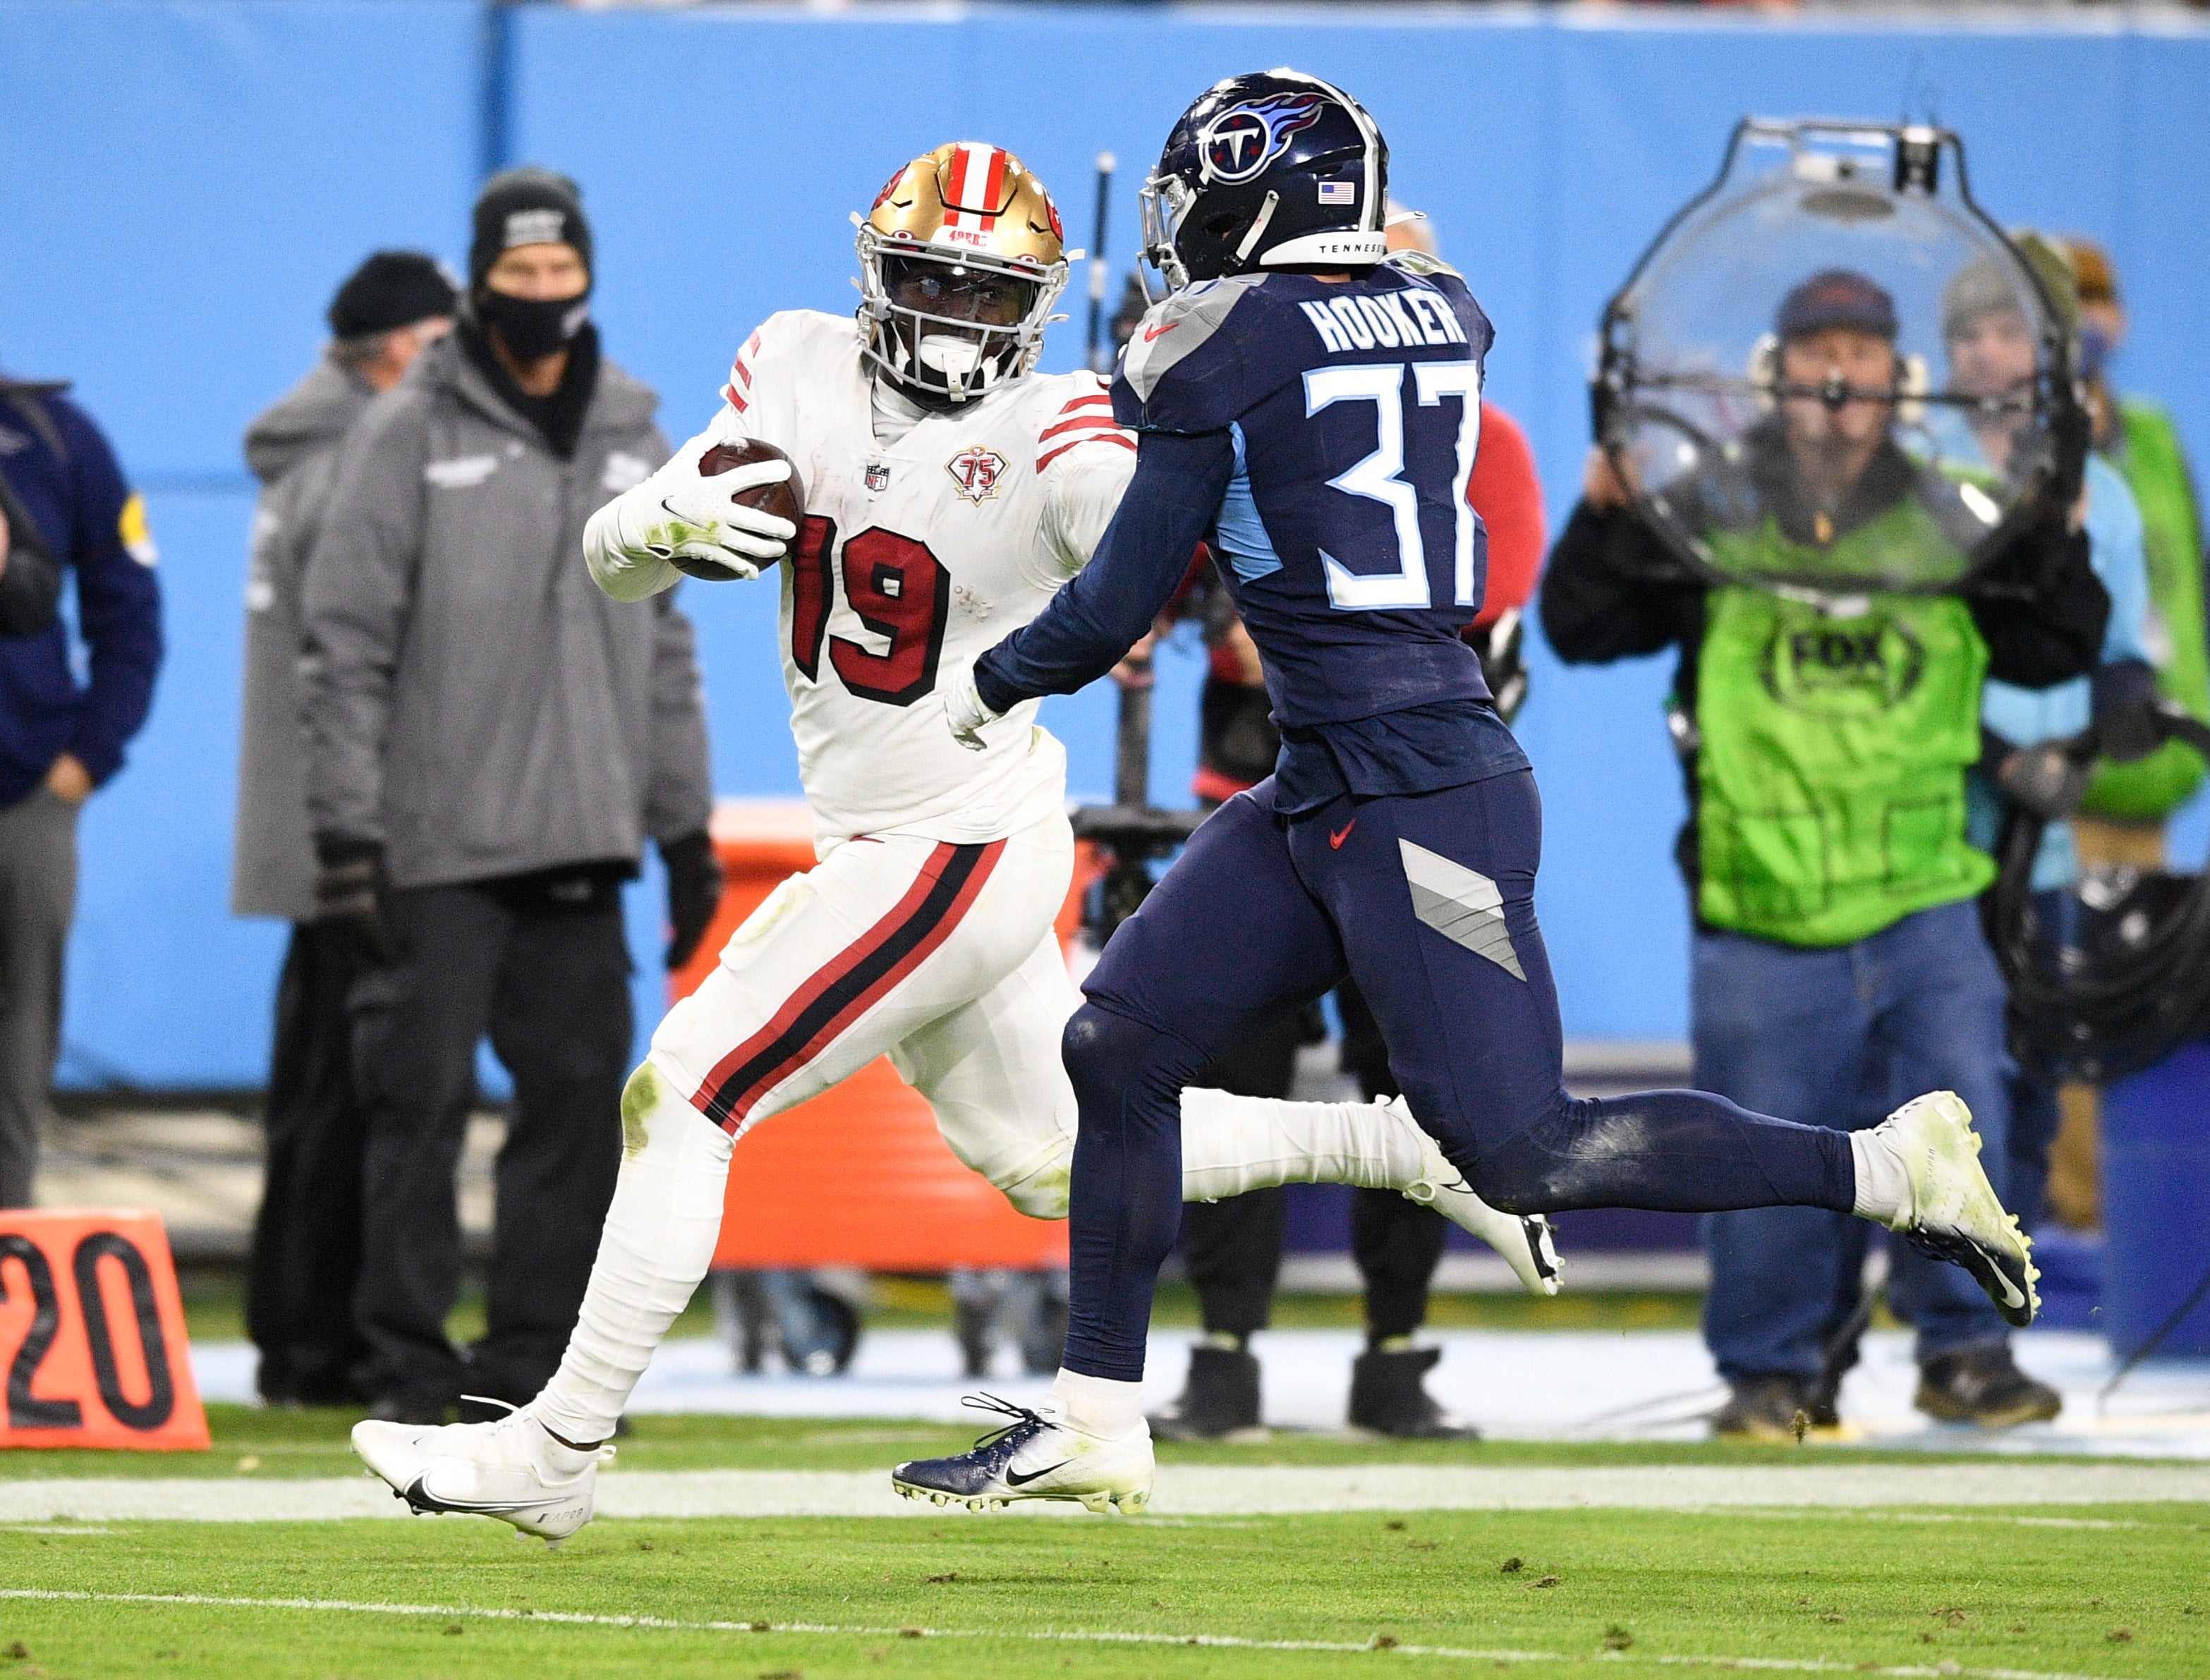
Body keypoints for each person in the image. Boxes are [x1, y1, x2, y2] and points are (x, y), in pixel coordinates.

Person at [347, 139, 1555, 1544]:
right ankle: (1409, 1147)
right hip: (902, 832)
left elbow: (1145, 533)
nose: (953, 320)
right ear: (874, 272)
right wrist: (654, 521)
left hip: (951, 845)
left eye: (990, 296)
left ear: (1038, 307)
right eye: (928, 282)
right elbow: (615, 558)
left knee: (683, 1090)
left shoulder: (1066, 427)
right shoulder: (793, 360)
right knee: (1049, 1153)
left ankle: (556, 1449)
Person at [894, 73, 2046, 1514]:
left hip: (1420, 794)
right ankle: (1096, 1420)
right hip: (1327, 779)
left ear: (1262, 195)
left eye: (1199, 194)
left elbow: (1112, 608)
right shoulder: (1445, 308)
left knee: (1522, 1148)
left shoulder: (1221, 348)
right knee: (1119, 1048)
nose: (1180, 229)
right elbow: (1413, 298)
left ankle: (1889, 1168)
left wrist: (973, 693)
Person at [1545, 264, 2105, 1436]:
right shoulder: (1705, 512)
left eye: (1859, 354)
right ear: (1776, 376)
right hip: (1758, 903)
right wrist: (1603, 515)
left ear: (1897, 380)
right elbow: (1581, 627)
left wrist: (2054, 532)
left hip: (1923, 894)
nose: (1837, 379)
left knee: (1972, 1132)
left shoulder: (1956, 516)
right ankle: (1770, 1377)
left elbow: (2054, 648)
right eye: (1816, 356)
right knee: (1760, 1162)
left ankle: (1962, 1353)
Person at [300, 169, 722, 1423]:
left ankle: (535, 1359)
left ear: (585, 274)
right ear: (482, 277)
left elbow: (665, 651)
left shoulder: (636, 435)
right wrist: (344, 831)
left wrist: (683, 824)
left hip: (584, 839)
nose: (544, 294)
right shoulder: (402, 434)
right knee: (413, 1113)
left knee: (578, 1120)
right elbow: (343, 644)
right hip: (434, 848)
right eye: (520, 273)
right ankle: (408, 1365)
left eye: (561, 272)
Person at [1150, 200, 1552, 1442]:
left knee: (1421, 1076)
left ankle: (1393, 1347)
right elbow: (1155, 574)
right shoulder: (1241, 392)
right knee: (1230, 1080)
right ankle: (1226, 1348)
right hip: (1264, 790)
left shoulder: (1479, 441)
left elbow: (1484, 593)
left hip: (1399, 786)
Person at [233, 250, 456, 1406]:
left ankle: (302, 1332)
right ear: (394, 351)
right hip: (357, 824)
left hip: (323, 820)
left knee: (322, 1083)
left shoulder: (303, 457)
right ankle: (319, 1341)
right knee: (349, 1091)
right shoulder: (353, 457)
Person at [0, 371, 162, 1210]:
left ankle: (4, 1279)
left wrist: (87, 759)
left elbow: (128, 611)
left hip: (27, 799)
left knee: (16, 1059)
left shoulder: (51, 435)